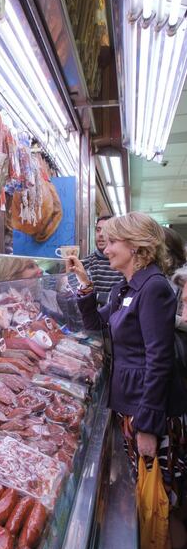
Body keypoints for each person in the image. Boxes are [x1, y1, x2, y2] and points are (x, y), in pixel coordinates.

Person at [66, 212, 184, 502]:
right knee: (145, 494)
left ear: (135, 246)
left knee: (159, 500)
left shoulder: (153, 287)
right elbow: (96, 323)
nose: (105, 249)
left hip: (149, 410)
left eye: (112, 241)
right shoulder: (126, 286)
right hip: (131, 403)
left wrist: (148, 425)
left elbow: (159, 360)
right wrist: (84, 282)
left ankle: (165, 548)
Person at [82, 216, 123, 305]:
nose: (100, 234)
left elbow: (125, 299)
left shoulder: (123, 264)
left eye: (105, 230)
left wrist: (94, 296)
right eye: (98, 230)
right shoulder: (85, 263)